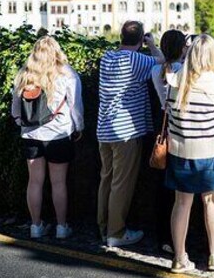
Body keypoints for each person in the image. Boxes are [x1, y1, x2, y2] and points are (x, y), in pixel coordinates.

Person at [165, 34, 214, 273]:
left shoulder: (174, 81)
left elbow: (170, 116)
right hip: (212, 150)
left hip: (181, 150)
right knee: (212, 202)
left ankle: (179, 257)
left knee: (181, 204)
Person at [97, 21, 164, 248]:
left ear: (121, 37)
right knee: (122, 184)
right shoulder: (137, 60)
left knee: (106, 179)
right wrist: (153, 45)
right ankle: (116, 232)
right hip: (125, 131)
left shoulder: (107, 58)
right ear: (140, 39)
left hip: (104, 129)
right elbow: (165, 62)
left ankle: (103, 227)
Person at [11, 36, 84, 239]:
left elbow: (15, 109)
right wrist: (79, 127)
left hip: (30, 134)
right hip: (59, 134)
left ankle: (36, 226)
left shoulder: (24, 75)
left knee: (34, 182)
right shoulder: (67, 74)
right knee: (58, 183)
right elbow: (75, 107)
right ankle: (61, 227)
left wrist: (21, 123)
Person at [149, 30, 188, 254]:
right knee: (179, 184)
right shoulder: (185, 71)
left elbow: (164, 62)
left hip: (161, 125)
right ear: (182, 48)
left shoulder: (156, 70)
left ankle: (163, 235)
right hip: (180, 126)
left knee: (162, 184)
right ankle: (179, 237)